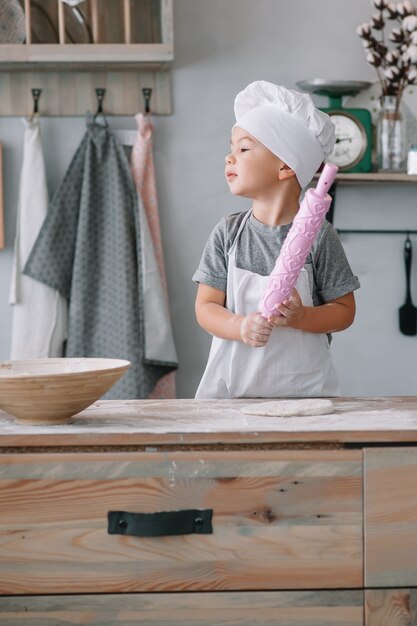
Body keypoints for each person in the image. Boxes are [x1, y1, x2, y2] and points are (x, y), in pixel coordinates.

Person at [193, 80, 360, 399]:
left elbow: (344, 311)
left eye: (243, 149)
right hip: (231, 398)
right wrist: (240, 327)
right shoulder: (228, 235)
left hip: (305, 397)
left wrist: (302, 317)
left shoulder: (320, 236)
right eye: (231, 149)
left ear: (285, 165)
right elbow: (206, 307)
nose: (229, 158)